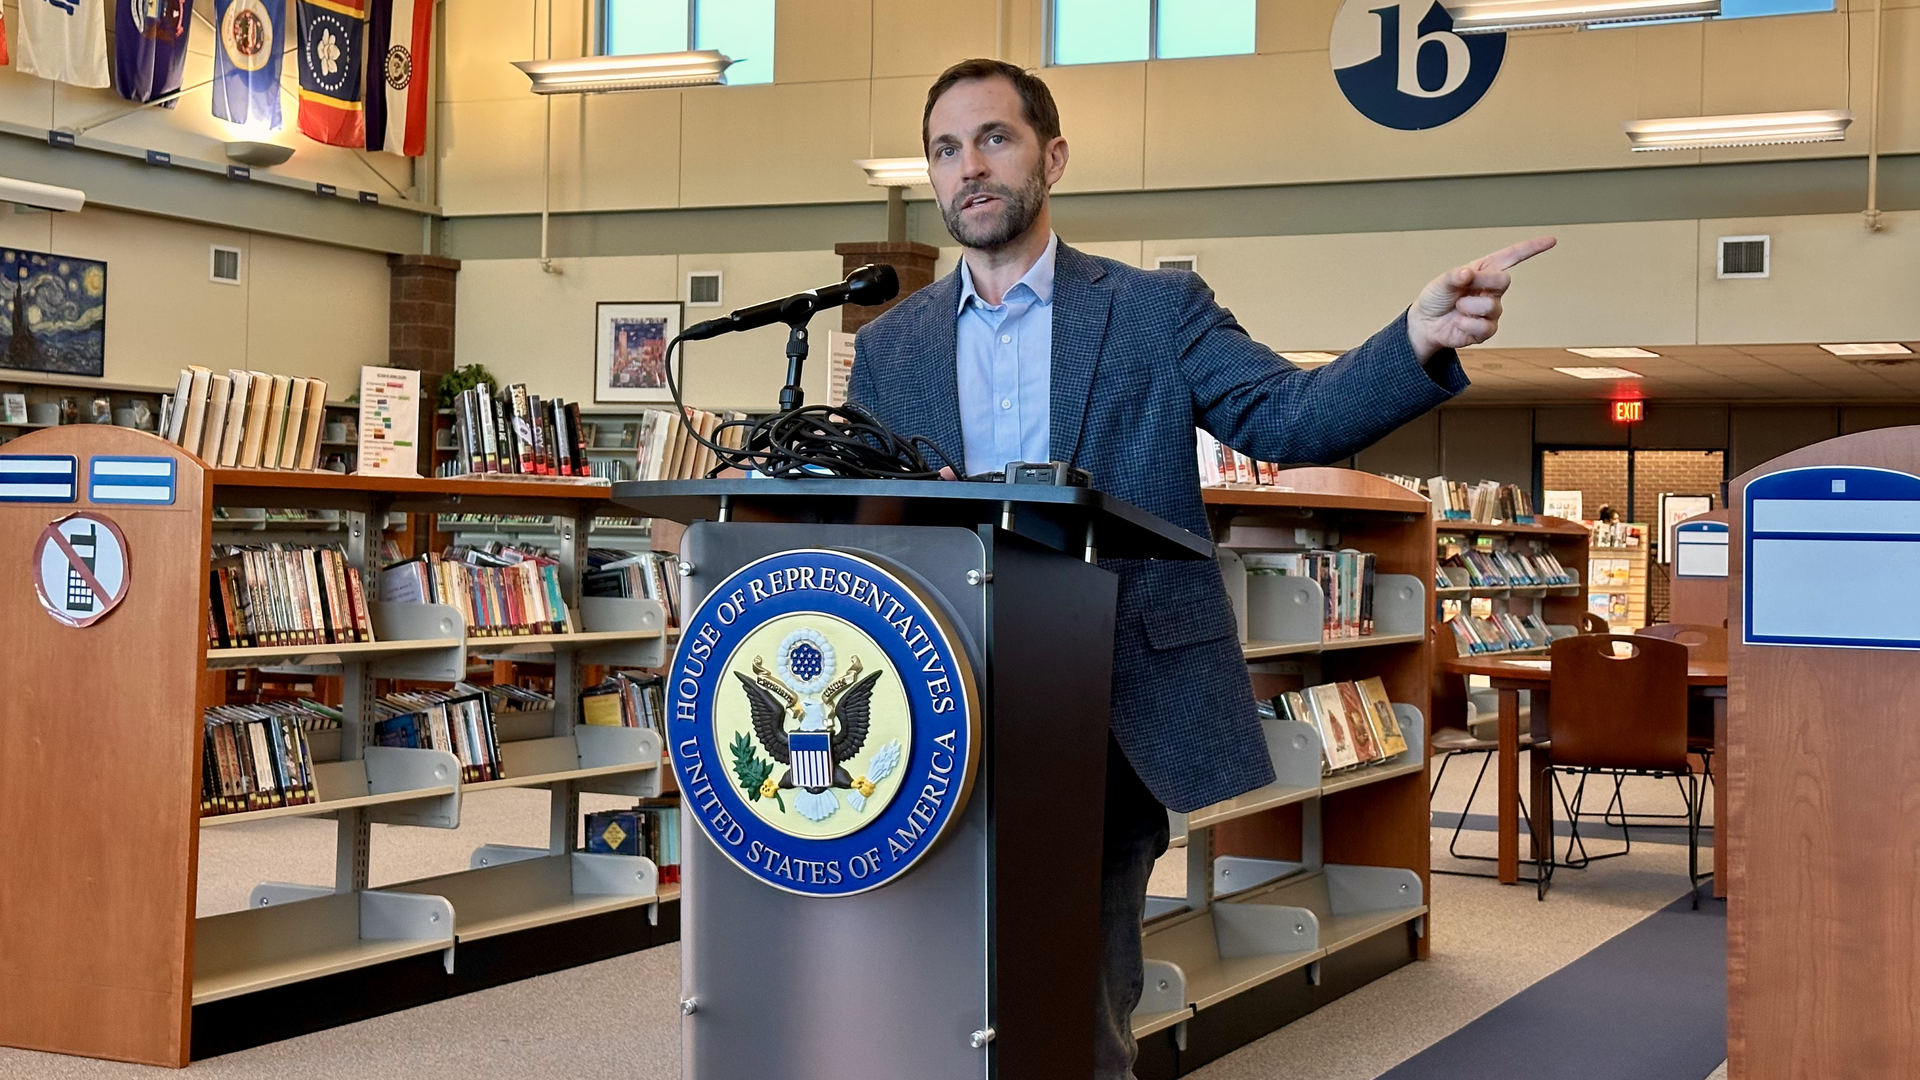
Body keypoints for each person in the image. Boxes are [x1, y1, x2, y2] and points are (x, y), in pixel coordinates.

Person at [847, 57, 1554, 1080]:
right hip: (934, 690)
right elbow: (870, 516)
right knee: (929, 966)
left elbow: (1287, 414)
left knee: (1082, 978)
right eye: (946, 150)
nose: (970, 169)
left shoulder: (1152, 309)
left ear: (1052, 156)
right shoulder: (892, 345)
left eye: (993, 139)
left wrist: (1415, 339)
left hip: (1105, 689)